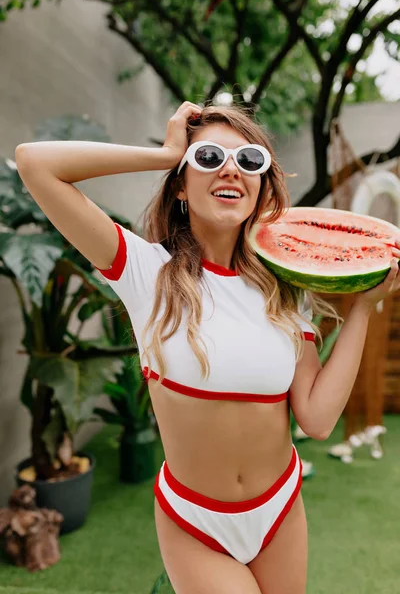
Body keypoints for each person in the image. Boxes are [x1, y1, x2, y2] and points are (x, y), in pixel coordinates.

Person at [15, 101, 400, 593]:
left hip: (280, 510)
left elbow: (318, 420)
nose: (231, 170)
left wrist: (364, 308)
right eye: (209, 157)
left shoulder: (285, 290)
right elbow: (35, 163)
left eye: (250, 161)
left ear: (261, 186)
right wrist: (165, 153)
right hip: (195, 523)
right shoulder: (144, 271)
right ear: (180, 183)